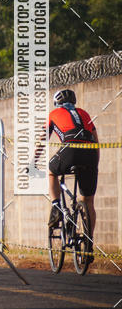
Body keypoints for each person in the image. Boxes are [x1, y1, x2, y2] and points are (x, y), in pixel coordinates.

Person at [45, 89, 99, 257]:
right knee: (88, 200)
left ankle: (56, 206)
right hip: (90, 153)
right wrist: (95, 164)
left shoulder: (54, 113)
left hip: (69, 151)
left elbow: (41, 140)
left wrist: (33, 161)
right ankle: (88, 244)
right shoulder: (85, 113)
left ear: (57, 103)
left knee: (51, 172)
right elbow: (96, 140)